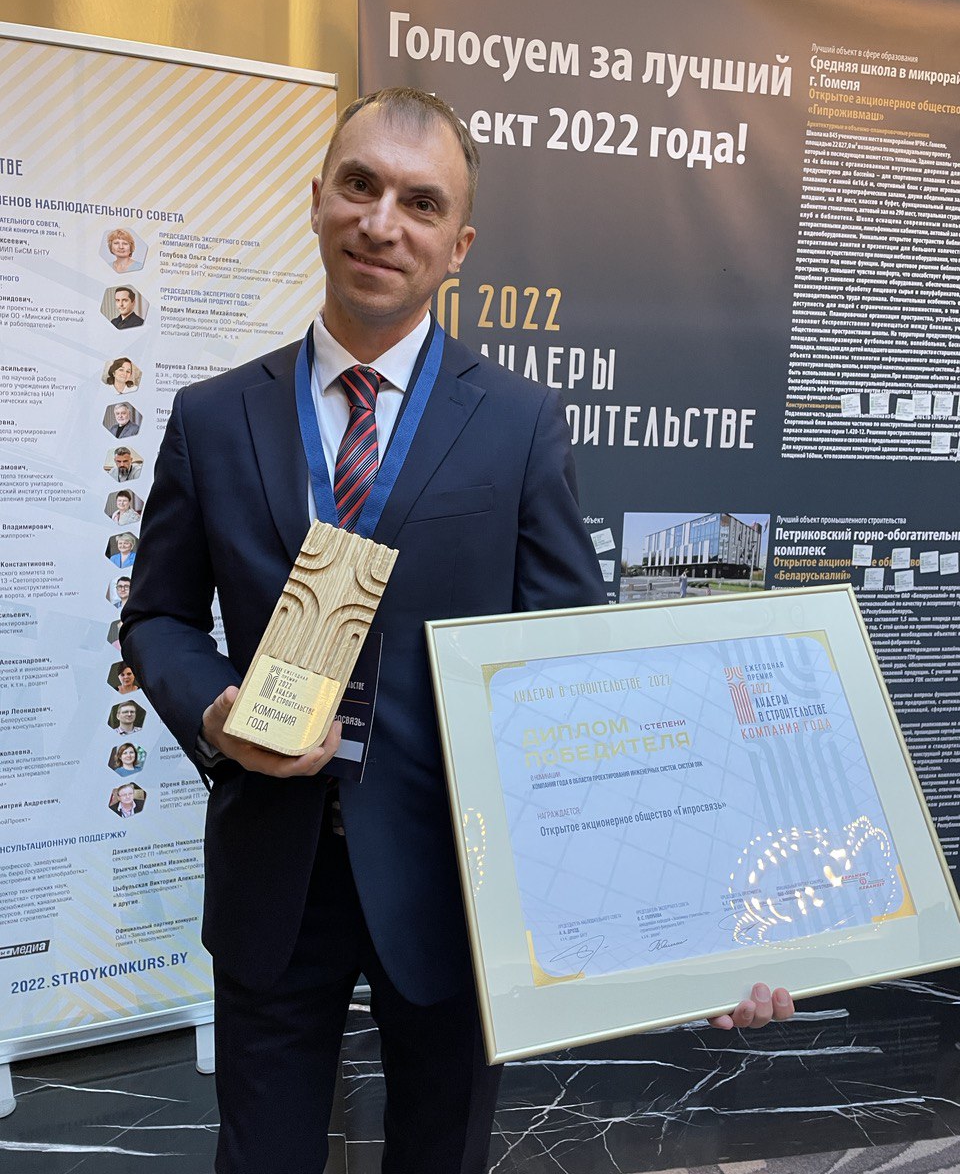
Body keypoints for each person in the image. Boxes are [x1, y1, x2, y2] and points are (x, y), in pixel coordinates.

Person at [121, 88, 793, 1174]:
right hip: (272, 870)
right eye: (360, 185)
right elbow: (157, 614)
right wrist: (214, 711)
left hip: (456, 876)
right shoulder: (213, 416)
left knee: (442, 1154)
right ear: (317, 199)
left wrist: (698, 920)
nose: (382, 222)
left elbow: (578, 671)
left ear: (459, 246)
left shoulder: (519, 423)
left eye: (421, 202)